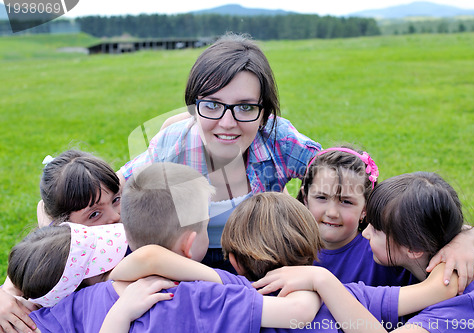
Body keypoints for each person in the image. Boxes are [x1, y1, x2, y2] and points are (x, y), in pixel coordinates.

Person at [11, 163, 321, 333]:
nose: (114, 216)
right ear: (189, 244)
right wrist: (315, 278)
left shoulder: (82, 299)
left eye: (117, 202)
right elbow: (300, 313)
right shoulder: (209, 294)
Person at [111, 192, 459, 333]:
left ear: (233, 260)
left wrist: (217, 277)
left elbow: (143, 259)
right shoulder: (352, 299)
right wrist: (463, 241)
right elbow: (438, 290)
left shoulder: (222, 297)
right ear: (314, 251)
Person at [117, 33, 321, 270]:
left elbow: (341, 175)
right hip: (183, 263)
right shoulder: (173, 146)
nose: (227, 123)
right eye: (213, 105)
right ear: (195, 107)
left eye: (245, 107)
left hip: (263, 260)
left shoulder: (278, 139)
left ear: (264, 113)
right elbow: (117, 190)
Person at [255, 172, 474, 332]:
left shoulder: (464, 304)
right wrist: (469, 239)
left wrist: (322, 280)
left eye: (376, 229)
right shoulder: (430, 253)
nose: (365, 233)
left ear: (413, 247)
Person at [298, 146, 474, 293]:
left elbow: (434, 227)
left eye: (346, 201)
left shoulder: (383, 247)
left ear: (366, 208)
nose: (332, 212)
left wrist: (466, 240)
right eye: (321, 198)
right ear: (305, 197)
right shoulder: (289, 241)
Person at [0, 149, 122, 333]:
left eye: (116, 200)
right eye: (94, 214)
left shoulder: (130, 233)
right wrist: (8, 291)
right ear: (63, 225)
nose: (115, 216)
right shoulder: (56, 268)